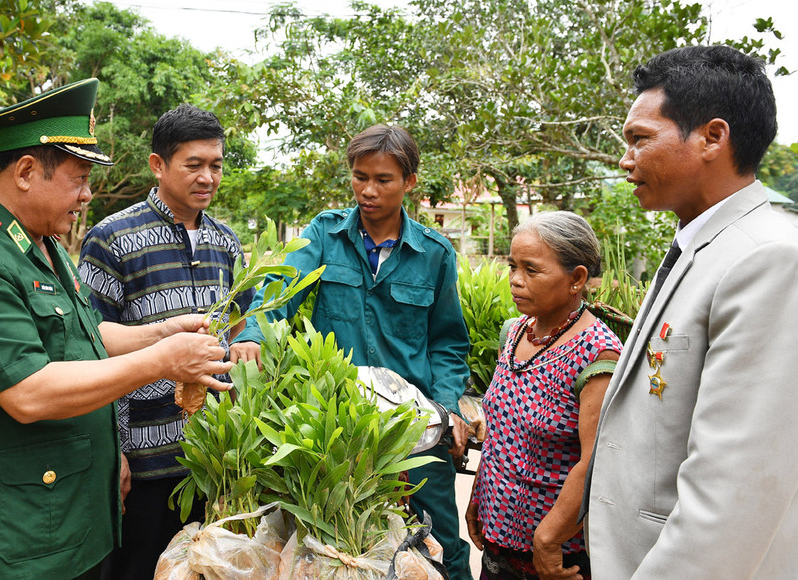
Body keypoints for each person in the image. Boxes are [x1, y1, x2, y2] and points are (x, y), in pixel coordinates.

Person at [0, 78, 233, 579]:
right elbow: (28, 391)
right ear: (25, 172)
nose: (86, 195)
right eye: (79, 179)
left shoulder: (42, 245)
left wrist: (160, 333)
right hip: (19, 532)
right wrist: (162, 361)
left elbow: (85, 337)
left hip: (76, 512)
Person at [583, 45, 798, 578]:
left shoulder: (767, 258)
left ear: (712, 138)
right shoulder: (703, 243)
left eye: (640, 139)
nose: (625, 160)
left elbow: (733, 493)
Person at [230, 124, 475, 580]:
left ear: (409, 182)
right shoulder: (325, 234)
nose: (368, 190)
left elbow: (448, 341)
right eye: (360, 177)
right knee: (335, 544)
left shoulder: (434, 253)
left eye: (383, 180)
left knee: (440, 541)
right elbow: (280, 291)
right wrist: (253, 336)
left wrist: (447, 407)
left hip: (414, 424)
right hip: (336, 422)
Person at [78, 103, 255, 579]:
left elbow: (242, 320)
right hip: (142, 460)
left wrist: (245, 343)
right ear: (158, 164)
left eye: (216, 165)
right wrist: (112, 450)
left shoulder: (226, 243)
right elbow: (89, 344)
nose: (208, 178)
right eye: (193, 165)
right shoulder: (112, 238)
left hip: (211, 460)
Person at [465, 212, 622, 580]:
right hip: (499, 542)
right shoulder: (515, 332)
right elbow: (501, 432)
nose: (516, 280)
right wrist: (479, 496)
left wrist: (548, 540)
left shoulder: (597, 354)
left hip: (554, 559)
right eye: (513, 266)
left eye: (531, 270)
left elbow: (596, 461)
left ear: (576, 279)